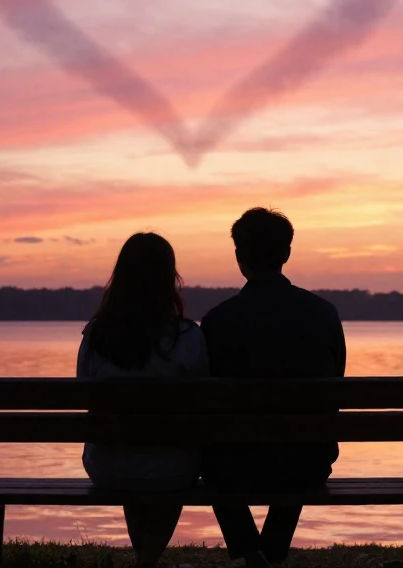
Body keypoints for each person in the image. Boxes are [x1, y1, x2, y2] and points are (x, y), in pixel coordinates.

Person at [201, 208, 346, 568]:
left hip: (233, 467)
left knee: (209, 460)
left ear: (239, 256)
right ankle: (271, 553)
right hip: (308, 464)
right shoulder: (323, 314)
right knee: (303, 441)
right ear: (287, 253)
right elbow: (335, 388)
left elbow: (205, 400)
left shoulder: (218, 320)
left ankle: (254, 554)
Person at [77, 232, 209, 568]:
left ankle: (143, 562)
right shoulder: (188, 337)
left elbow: (83, 391)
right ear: (169, 279)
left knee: (130, 448)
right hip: (174, 470)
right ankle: (146, 563)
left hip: (107, 467)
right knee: (166, 463)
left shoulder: (96, 335)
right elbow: (203, 403)